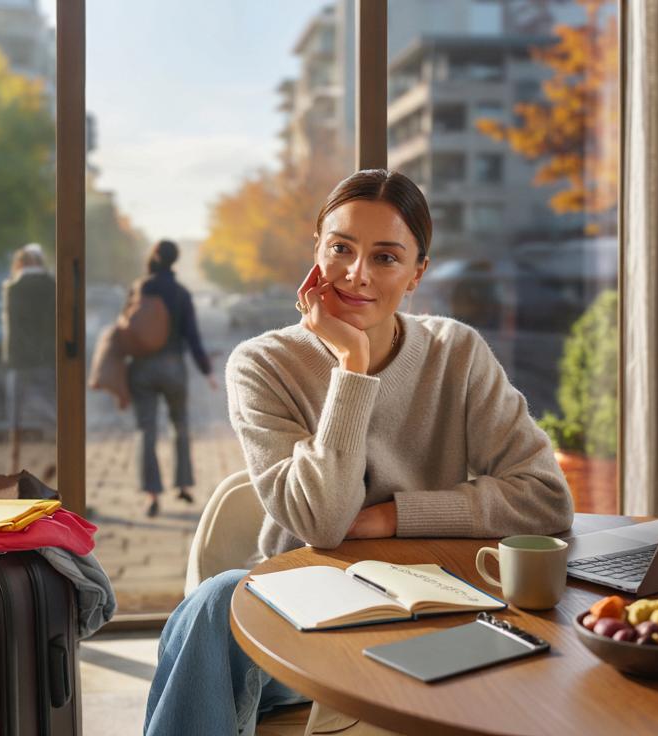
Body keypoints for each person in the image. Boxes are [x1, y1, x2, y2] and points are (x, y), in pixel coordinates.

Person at [142, 170, 573, 735]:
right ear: (316, 251)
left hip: (429, 612)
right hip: (303, 616)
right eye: (341, 247)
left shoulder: (456, 352)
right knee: (218, 600)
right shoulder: (261, 364)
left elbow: (546, 497)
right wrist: (352, 367)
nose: (357, 274)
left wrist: (394, 518)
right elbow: (323, 522)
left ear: (417, 273)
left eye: (386, 257)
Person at [127, 240, 217, 518]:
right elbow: (193, 338)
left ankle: (152, 495)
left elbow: (125, 328)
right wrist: (207, 371)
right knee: (180, 424)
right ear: (175, 260)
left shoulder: (138, 288)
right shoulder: (181, 293)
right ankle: (183, 484)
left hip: (142, 368)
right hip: (173, 366)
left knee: (147, 430)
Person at [2, 243, 57, 476]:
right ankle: (55, 459)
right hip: (47, 358)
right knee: (53, 413)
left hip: (20, 360)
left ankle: (14, 467)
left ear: (20, 263)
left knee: (16, 418)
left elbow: (11, 328)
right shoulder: (53, 285)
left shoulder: (13, 287)